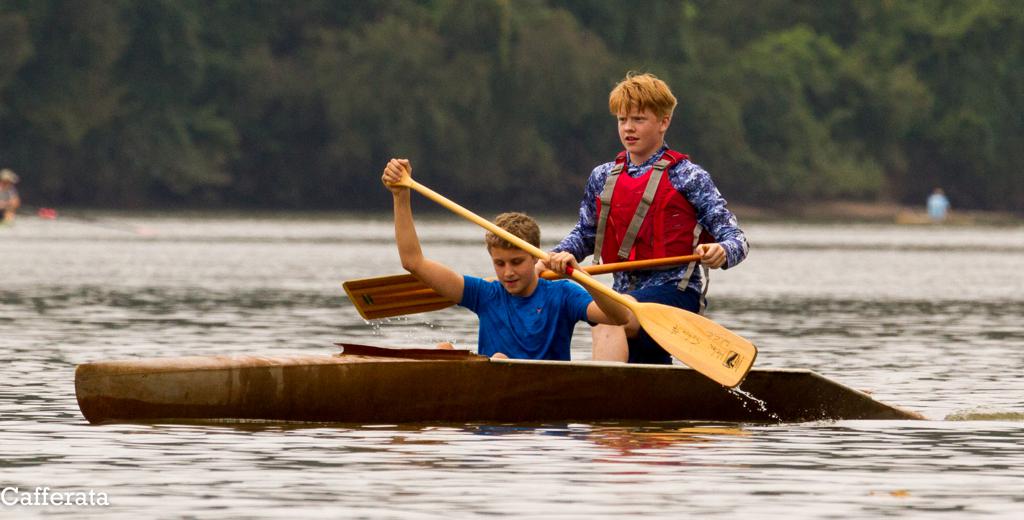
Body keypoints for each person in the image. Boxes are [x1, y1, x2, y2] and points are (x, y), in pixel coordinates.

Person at [547, 72, 749, 365]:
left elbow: (738, 240)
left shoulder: (689, 176)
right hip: (623, 298)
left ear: (663, 122)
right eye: (622, 119)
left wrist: (722, 250)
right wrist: (553, 257)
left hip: (676, 298)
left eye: (638, 119)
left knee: (608, 317)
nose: (628, 128)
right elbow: (584, 234)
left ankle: (601, 390)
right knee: (579, 303)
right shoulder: (602, 176)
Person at [381, 158, 635, 361]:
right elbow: (413, 262)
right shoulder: (484, 294)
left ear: (534, 255)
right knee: (443, 350)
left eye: (516, 262)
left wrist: (580, 275)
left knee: (500, 359)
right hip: (493, 398)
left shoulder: (563, 294)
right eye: (499, 264)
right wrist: (400, 196)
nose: (508, 273)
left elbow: (619, 317)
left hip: (545, 401)